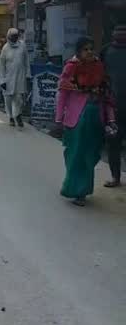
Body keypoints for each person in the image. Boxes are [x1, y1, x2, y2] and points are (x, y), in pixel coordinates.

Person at [56, 36, 116, 206]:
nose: (89, 52)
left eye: (91, 48)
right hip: (78, 119)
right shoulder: (71, 68)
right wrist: (59, 117)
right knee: (76, 155)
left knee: (90, 156)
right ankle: (75, 190)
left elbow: (107, 97)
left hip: (96, 118)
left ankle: (82, 188)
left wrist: (110, 119)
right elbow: (63, 94)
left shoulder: (99, 68)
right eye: (85, 49)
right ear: (78, 51)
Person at [102, 26, 126, 187]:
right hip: (113, 107)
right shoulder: (106, 51)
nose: (121, 34)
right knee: (113, 144)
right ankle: (115, 177)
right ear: (113, 33)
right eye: (118, 31)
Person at [0, 28, 31, 127]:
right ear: (9, 37)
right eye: (12, 36)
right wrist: (2, 80)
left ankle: (18, 116)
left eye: (16, 36)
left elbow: (26, 62)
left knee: (19, 99)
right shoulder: (5, 48)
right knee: (8, 99)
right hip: (8, 78)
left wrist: (28, 74)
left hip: (20, 77)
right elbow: (1, 66)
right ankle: (11, 117)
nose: (14, 38)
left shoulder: (22, 46)